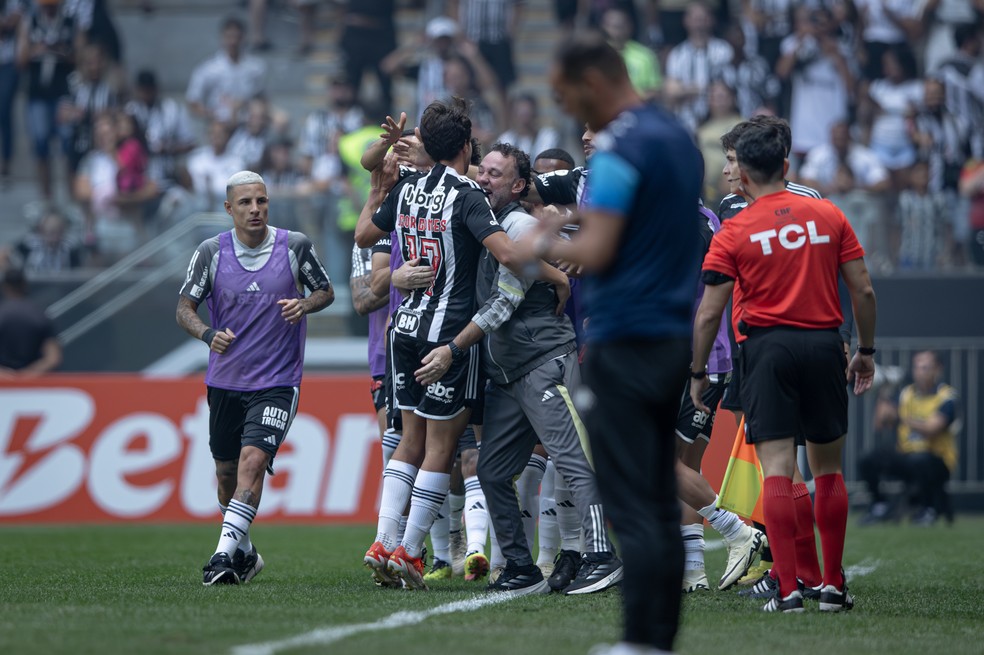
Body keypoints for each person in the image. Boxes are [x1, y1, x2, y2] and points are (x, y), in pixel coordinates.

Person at [518, 34, 702, 654]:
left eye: (568, 98)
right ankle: (657, 640)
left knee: (635, 503)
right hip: (673, 336)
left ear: (594, 83)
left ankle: (639, 642)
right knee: (658, 500)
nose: (573, 114)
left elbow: (597, 251)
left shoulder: (624, 144)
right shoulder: (677, 137)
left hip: (625, 339)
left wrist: (541, 243)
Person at [414, 142, 621, 596]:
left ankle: (602, 557)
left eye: (495, 174)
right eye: (481, 171)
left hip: (544, 362)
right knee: (491, 471)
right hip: (508, 375)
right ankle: (523, 568)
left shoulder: (522, 226)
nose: (484, 179)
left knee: (573, 460)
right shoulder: (488, 223)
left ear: (519, 185)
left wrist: (452, 348)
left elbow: (503, 301)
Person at [691, 121, 877, 613]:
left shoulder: (736, 226)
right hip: (823, 344)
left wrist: (697, 371)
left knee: (778, 471)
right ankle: (833, 586)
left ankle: (791, 589)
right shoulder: (827, 212)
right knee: (828, 471)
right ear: (786, 165)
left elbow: (710, 310)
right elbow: (863, 289)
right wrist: (866, 350)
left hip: (767, 350)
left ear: (744, 171)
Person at [354, 98, 527, 590]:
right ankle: (408, 553)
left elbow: (366, 234)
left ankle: (384, 541)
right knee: (441, 448)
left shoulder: (407, 187)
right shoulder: (469, 194)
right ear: (467, 144)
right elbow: (508, 253)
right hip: (447, 337)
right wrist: (555, 264)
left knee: (408, 441)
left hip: (403, 329)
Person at [176, 171, 334, 585]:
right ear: (229, 209)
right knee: (226, 475)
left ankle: (221, 557)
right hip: (226, 381)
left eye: (261, 201)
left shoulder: (295, 245)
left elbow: (326, 291)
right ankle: (244, 553)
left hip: (278, 381)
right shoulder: (211, 252)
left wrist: (304, 305)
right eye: (245, 203)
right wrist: (209, 334)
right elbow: (184, 309)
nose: (255, 209)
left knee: (253, 460)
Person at [859, 350, 958, 526]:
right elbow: (881, 423)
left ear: (938, 369)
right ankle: (880, 505)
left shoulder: (947, 396)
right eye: (917, 367)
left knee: (920, 460)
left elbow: (931, 429)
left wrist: (902, 417)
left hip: (937, 459)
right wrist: (885, 391)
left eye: (926, 367)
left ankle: (928, 509)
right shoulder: (906, 394)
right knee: (869, 460)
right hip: (907, 455)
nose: (920, 371)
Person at [185, 17, 266, 124]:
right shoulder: (208, 69)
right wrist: (212, 115)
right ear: (222, 38)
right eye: (229, 37)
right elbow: (193, 102)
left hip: (248, 124)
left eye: (237, 37)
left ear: (243, 38)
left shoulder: (255, 67)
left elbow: (262, 98)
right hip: (220, 124)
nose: (233, 42)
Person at [0, 267, 62, 378]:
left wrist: (6, 376)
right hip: (32, 387)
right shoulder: (39, 315)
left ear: (5, 287)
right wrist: (27, 375)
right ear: (25, 285)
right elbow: (53, 357)